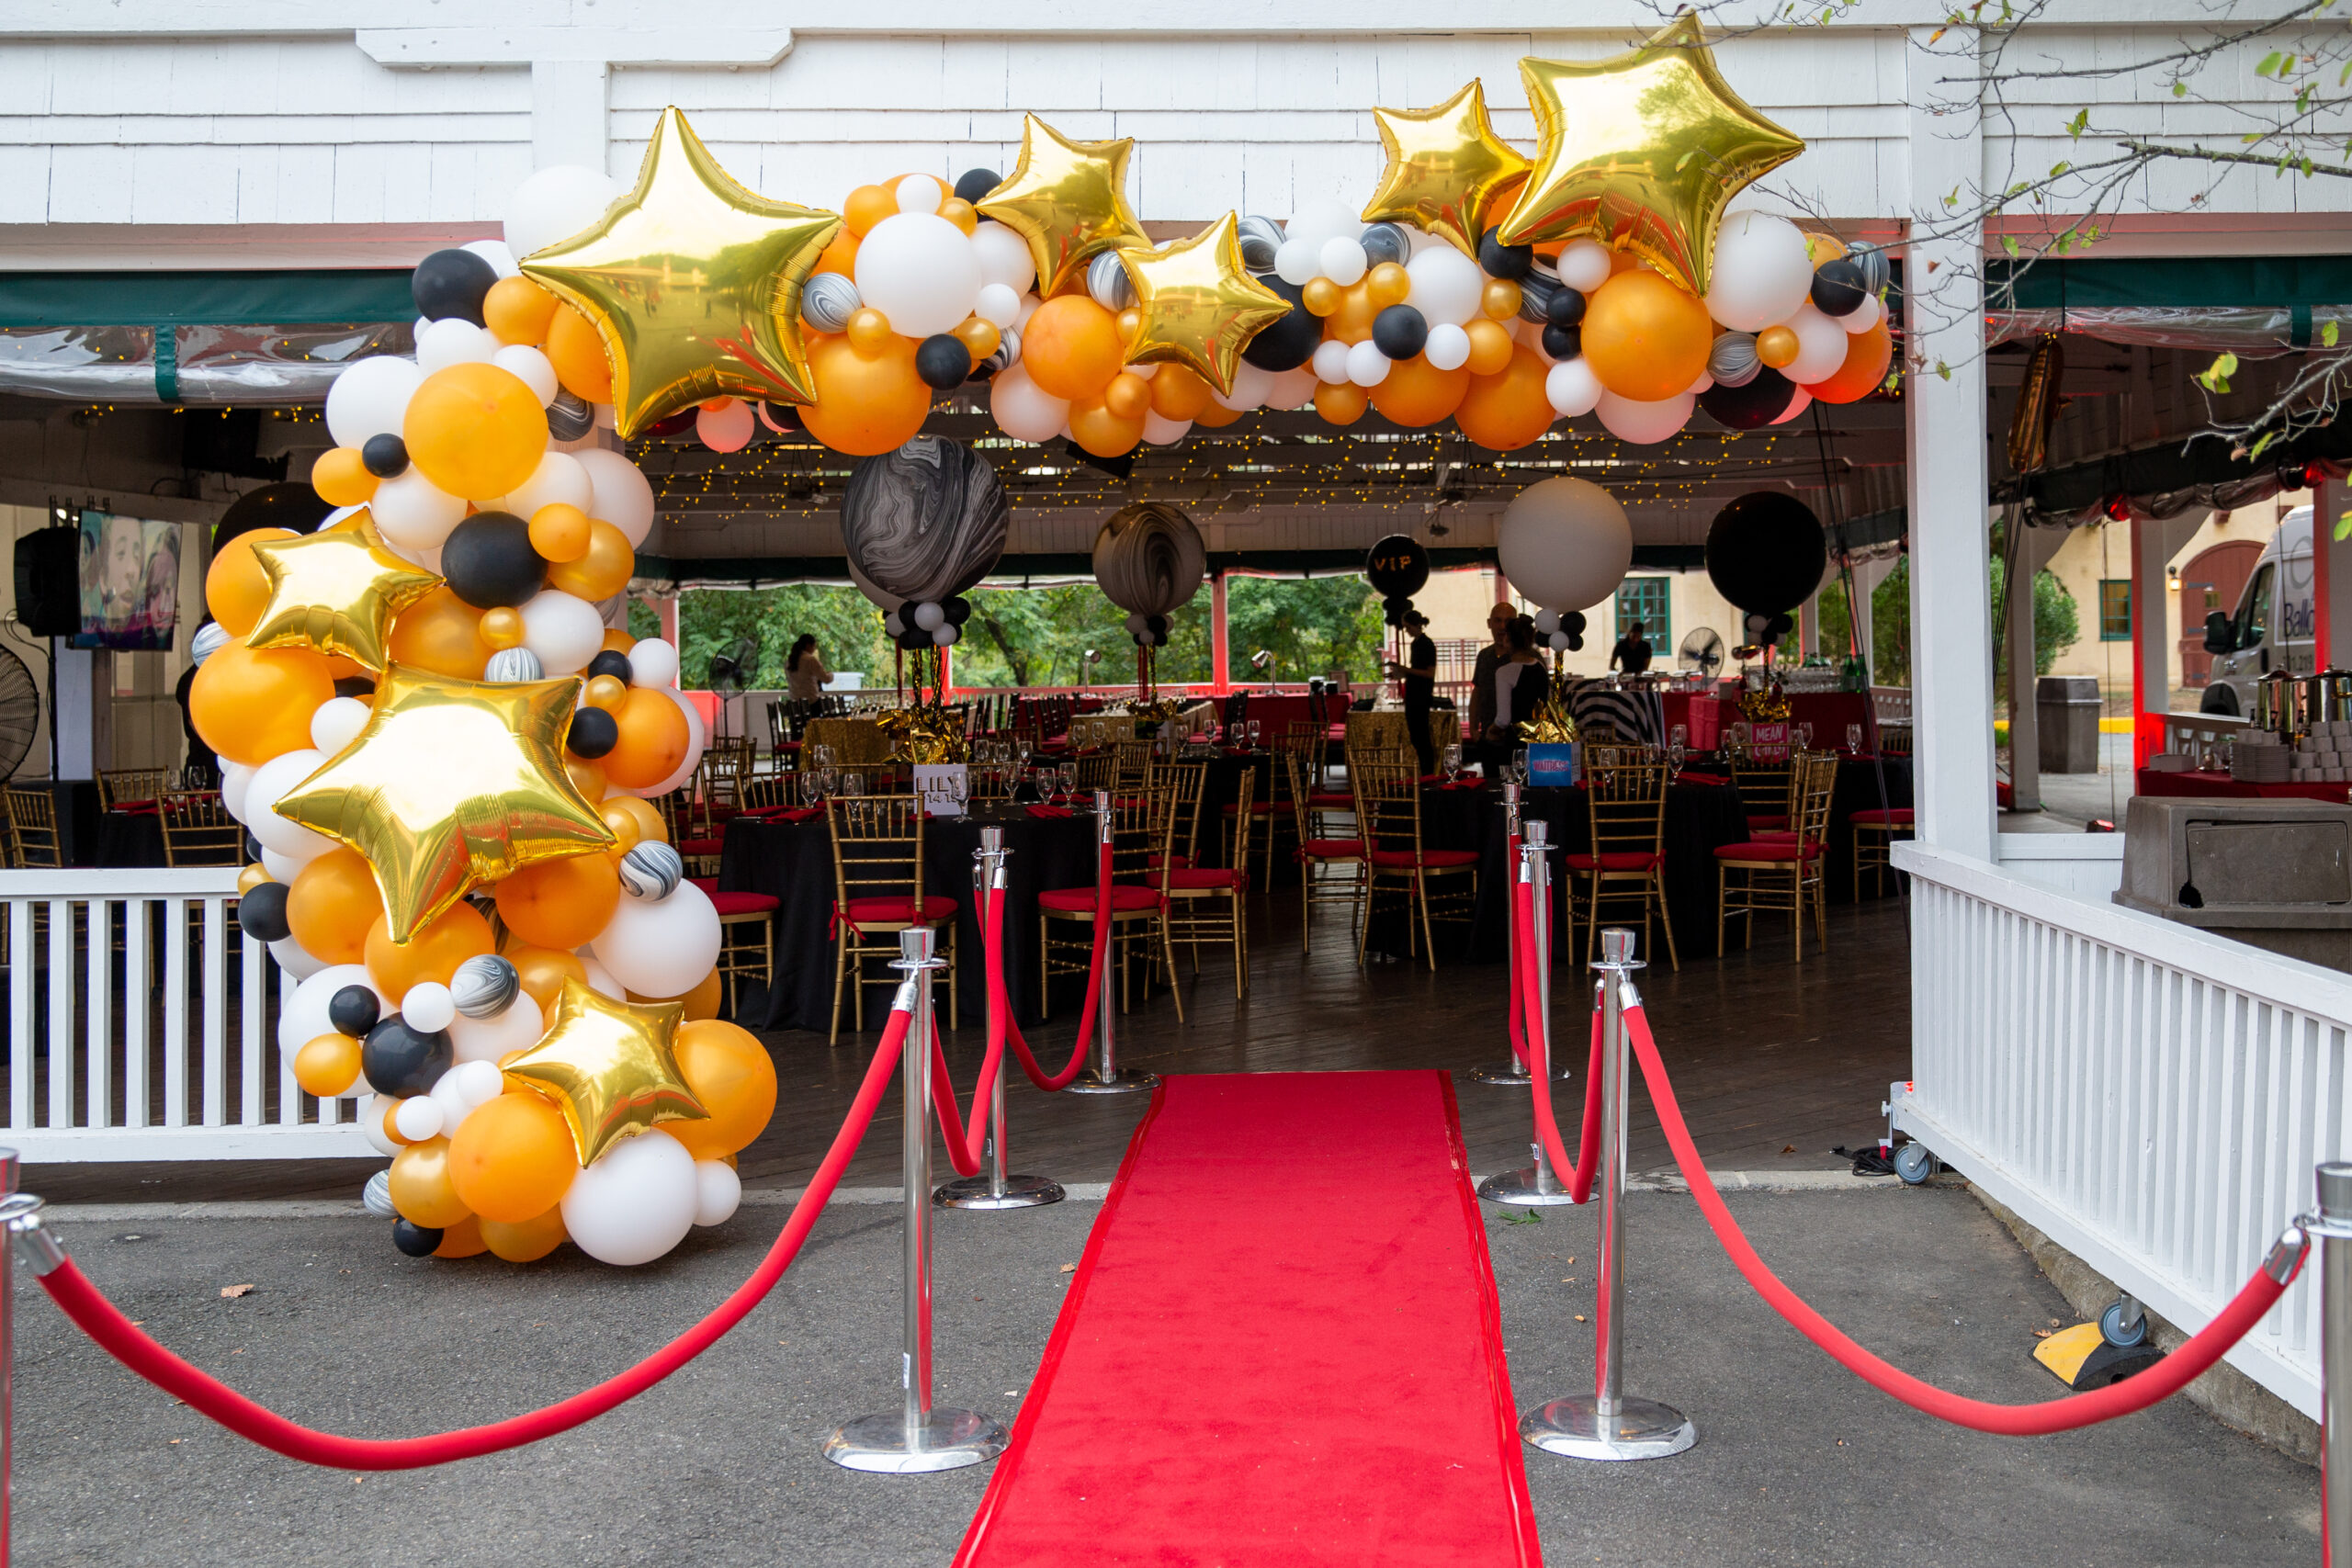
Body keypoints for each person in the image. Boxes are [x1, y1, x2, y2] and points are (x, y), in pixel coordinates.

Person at [1384, 609, 1438, 774]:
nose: (1406, 630)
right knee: (1416, 737)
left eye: (1407, 627)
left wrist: (1406, 670)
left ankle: (1428, 773)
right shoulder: (1416, 643)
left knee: (1421, 738)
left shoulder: (1426, 644)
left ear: (1417, 625)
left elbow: (1429, 673)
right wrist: (1400, 672)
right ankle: (1425, 772)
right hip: (1414, 695)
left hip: (1421, 697)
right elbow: (1416, 671)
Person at [1490, 616, 1549, 738]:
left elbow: (1503, 719)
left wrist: (1491, 730)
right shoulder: (1540, 666)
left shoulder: (1505, 672)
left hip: (1517, 739)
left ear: (1507, 639)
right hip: (1540, 737)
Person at [1464, 602, 1516, 738]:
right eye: (1498, 620)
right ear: (1489, 623)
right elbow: (1477, 691)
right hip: (1487, 734)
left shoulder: (1524, 658)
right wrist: (1473, 727)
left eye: (1508, 621)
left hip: (1517, 736)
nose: (1503, 626)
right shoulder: (1484, 655)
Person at [786, 633, 831, 702]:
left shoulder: (789, 660)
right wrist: (831, 674)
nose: (814, 649)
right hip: (810, 701)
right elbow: (826, 679)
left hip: (794, 701)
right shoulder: (810, 660)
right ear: (808, 646)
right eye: (814, 647)